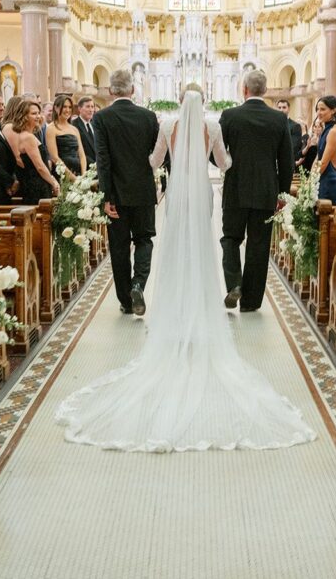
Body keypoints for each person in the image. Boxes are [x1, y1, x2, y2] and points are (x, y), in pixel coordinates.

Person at [54, 85, 316, 453]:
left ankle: (174, 311)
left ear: (179, 101)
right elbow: (224, 163)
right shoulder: (213, 126)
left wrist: (160, 162)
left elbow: (153, 162)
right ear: (204, 101)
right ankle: (207, 305)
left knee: (175, 248)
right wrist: (216, 161)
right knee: (204, 247)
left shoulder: (166, 125)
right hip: (203, 196)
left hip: (177, 196)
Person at [218, 69, 293, 313]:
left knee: (230, 238)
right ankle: (251, 303)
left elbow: (215, 153)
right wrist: (282, 194)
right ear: (266, 90)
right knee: (259, 245)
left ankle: (234, 283)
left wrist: (228, 164)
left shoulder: (230, 115)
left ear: (244, 89)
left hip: (235, 189)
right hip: (266, 191)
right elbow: (286, 161)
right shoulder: (279, 119)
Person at [95, 69, 160, 315]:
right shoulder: (148, 117)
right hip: (143, 192)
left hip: (117, 195)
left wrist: (106, 196)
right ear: (133, 90)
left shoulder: (102, 118)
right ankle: (138, 284)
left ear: (111, 91)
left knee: (120, 247)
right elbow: (156, 156)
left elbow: (103, 159)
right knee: (144, 239)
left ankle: (125, 301)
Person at [3, 97, 59, 204]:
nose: (38, 116)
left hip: (36, 183)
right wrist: (53, 183)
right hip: (37, 186)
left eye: (38, 113)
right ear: (24, 116)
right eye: (33, 114)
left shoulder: (28, 135)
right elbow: (40, 166)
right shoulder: (27, 137)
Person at [313, 96, 336, 205]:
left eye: (322, 109)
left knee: (325, 220)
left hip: (328, 181)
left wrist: (312, 181)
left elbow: (324, 162)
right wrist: (309, 178)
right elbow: (318, 157)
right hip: (320, 178)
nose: (319, 113)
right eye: (317, 109)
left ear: (333, 110)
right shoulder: (325, 129)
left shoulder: (334, 131)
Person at [46, 95, 86, 179]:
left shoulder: (74, 129)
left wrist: (83, 175)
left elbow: (82, 155)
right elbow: (54, 157)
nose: (67, 110)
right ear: (56, 108)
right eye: (64, 107)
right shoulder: (51, 129)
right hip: (61, 174)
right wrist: (72, 178)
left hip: (78, 172)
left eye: (70, 107)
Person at [72, 96, 98, 165]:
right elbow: (77, 150)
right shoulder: (74, 125)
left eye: (92, 107)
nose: (91, 110)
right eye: (87, 106)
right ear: (79, 108)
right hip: (84, 166)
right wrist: (94, 164)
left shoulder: (96, 124)